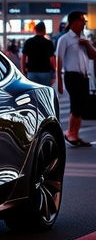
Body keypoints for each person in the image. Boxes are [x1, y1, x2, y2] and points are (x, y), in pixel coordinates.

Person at [57, 10, 96, 147]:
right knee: (76, 105)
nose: (84, 22)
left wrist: (87, 44)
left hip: (84, 77)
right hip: (72, 76)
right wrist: (59, 82)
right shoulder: (65, 39)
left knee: (81, 106)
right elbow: (59, 60)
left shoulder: (84, 38)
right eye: (82, 20)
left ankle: (75, 134)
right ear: (74, 22)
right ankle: (70, 134)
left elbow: (93, 56)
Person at [21, 22, 56, 87]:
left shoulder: (29, 42)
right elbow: (52, 59)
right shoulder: (48, 43)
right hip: (45, 72)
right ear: (44, 30)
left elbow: (23, 57)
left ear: (35, 30)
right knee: (45, 93)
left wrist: (23, 70)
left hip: (31, 72)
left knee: (33, 93)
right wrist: (54, 71)